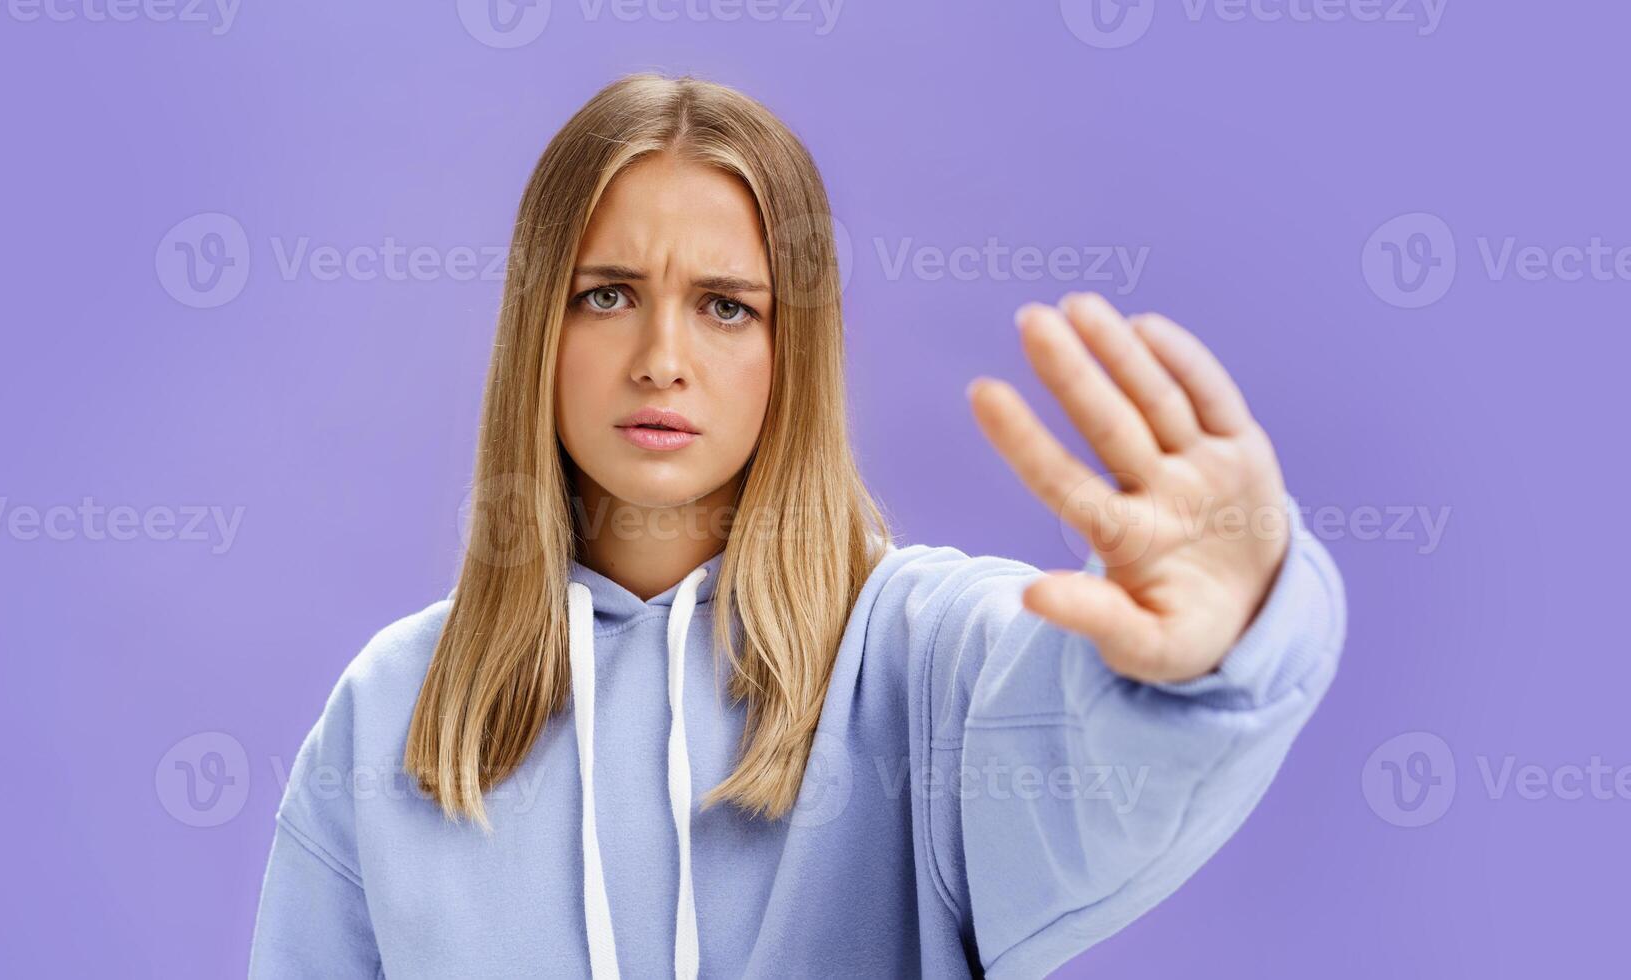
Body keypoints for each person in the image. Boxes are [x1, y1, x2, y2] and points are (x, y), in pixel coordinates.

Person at [249, 73, 1345, 978]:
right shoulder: (392, 706)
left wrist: (1221, 644)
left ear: (793, 350)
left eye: (725, 305)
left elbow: (1080, 748)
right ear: (537, 322)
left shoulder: (914, 652)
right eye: (605, 293)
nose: (659, 358)